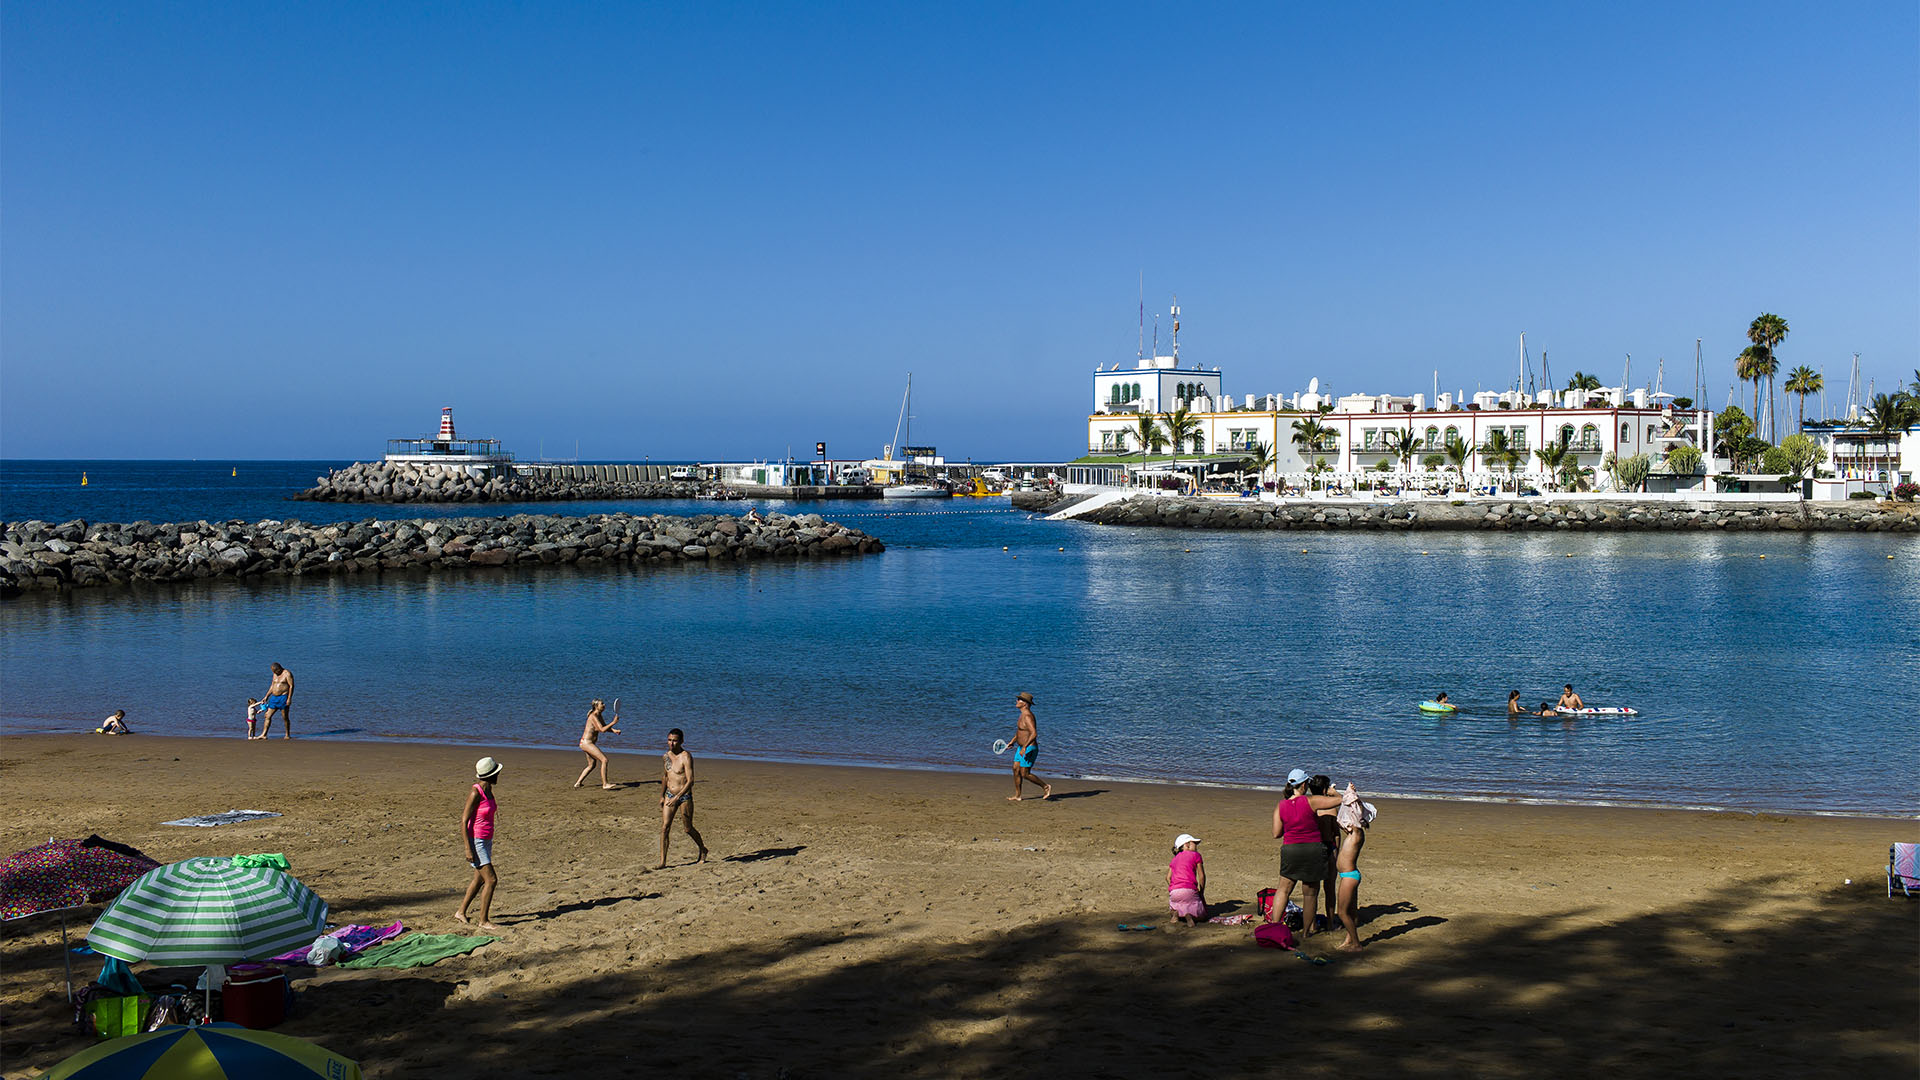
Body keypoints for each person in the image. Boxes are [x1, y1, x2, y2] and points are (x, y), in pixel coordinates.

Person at [1266, 768, 1344, 935]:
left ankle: (1274, 926)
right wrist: (1331, 791)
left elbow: (1276, 833)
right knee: (1310, 895)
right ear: (1303, 785)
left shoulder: (1281, 806)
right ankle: (1306, 932)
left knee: (1283, 890)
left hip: (1290, 849)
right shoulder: (1312, 801)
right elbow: (1340, 800)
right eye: (1307, 783)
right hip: (1312, 850)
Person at [456, 757, 503, 931]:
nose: (499, 775)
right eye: (497, 773)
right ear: (491, 775)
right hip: (476, 841)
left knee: (479, 879)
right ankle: (483, 920)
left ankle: (461, 912)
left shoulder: (489, 790)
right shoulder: (476, 792)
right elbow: (463, 820)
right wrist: (468, 847)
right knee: (491, 880)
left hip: (486, 840)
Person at [655, 728, 708, 869]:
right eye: (669, 740)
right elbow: (665, 776)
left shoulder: (686, 756)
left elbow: (691, 780)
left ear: (681, 741)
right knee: (665, 827)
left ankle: (702, 849)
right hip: (669, 796)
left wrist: (678, 796)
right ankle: (662, 862)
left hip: (684, 796)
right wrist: (662, 796)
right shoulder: (666, 756)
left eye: (675, 740)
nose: (671, 743)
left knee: (687, 828)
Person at [1332, 785, 1372, 953]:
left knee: (1342, 912)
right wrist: (1337, 793)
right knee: (1351, 911)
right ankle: (1349, 939)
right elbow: (1349, 811)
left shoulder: (1357, 833)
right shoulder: (1352, 833)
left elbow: (1354, 809)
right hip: (1348, 875)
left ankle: (1356, 944)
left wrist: (1352, 794)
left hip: (1350, 877)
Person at [1309, 775, 1340, 932]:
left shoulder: (1308, 806)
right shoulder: (1331, 808)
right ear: (1324, 789)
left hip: (1313, 847)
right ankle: (1330, 922)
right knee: (1329, 888)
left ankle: (1312, 923)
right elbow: (1336, 833)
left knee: (1312, 891)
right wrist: (1337, 852)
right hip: (1328, 847)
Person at [1007, 691, 1051, 801]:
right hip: (1020, 748)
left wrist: (1025, 747)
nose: (1017, 701)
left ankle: (1046, 786)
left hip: (1029, 748)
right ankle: (1017, 796)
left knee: (1024, 773)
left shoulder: (1028, 716)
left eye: (1019, 700)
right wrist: (1012, 741)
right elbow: (1019, 732)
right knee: (1015, 769)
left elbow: (1034, 733)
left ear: (1025, 703)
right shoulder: (1021, 715)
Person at [572, 699, 621, 790]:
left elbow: (604, 726)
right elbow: (601, 730)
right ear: (596, 706)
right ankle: (605, 784)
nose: (604, 704)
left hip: (585, 743)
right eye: (602, 703)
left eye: (603, 703)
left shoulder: (599, 715)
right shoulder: (593, 716)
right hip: (587, 743)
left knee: (592, 765)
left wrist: (614, 731)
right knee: (604, 760)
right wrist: (613, 722)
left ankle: (578, 783)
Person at [1167, 834, 1207, 926]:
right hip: (1189, 890)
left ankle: (1175, 914)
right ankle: (1191, 916)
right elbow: (1201, 876)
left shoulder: (1174, 859)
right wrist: (1201, 891)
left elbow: (1167, 878)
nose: (1196, 846)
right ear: (1187, 845)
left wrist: (1173, 886)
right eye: (1194, 843)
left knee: (1176, 906)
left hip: (1174, 892)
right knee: (1203, 915)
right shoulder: (1196, 855)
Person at [259, 663, 295, 739]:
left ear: (279, 669)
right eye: (273, 671)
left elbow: (291, 686)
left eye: (275, 671)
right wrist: (266, 696)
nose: (274, 673)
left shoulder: (287, 674)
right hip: (274, 698)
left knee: (285, 717)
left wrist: (289, 698)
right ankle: (264, 734)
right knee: (267, 715)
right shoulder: (275, 674)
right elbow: (272, 685)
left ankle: (287, 734)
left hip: (283, 697)